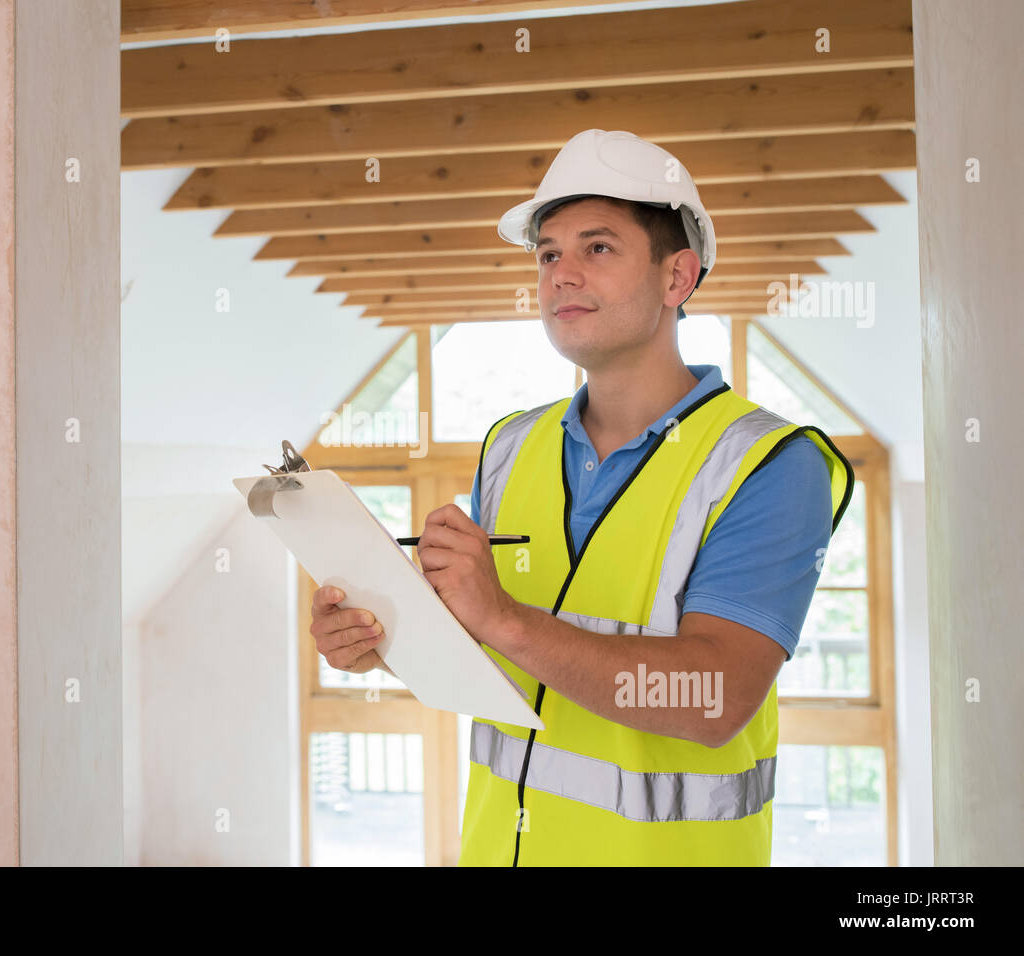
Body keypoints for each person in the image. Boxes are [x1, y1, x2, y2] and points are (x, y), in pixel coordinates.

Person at [309, 129, 854, 866]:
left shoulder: (766, 464)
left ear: (678, 278)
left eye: (597, 248)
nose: (561, 274)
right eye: (548, 253)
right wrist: (384, 638)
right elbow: (488, 650)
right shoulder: (511, 446)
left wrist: (503, 617)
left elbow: (714, 698)